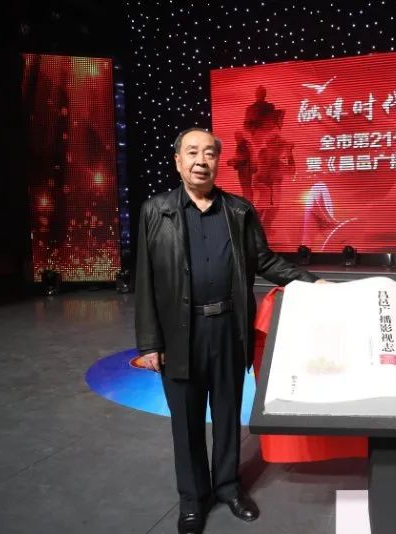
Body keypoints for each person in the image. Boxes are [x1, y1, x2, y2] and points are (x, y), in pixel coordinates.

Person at [135, 127, 327, 534]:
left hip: (228, 329)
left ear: (218, 162)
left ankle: (227, 486)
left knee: (227, 414)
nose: (200, 160)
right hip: (180, 334)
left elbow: (265, 261)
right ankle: (192, 498)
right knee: (186, 421)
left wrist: (312, 282)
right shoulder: (156, 211)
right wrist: (150, 343)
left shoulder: (238, 211)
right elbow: (145, 280)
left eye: (209, 153)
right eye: (192, 152)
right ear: (177, 161)